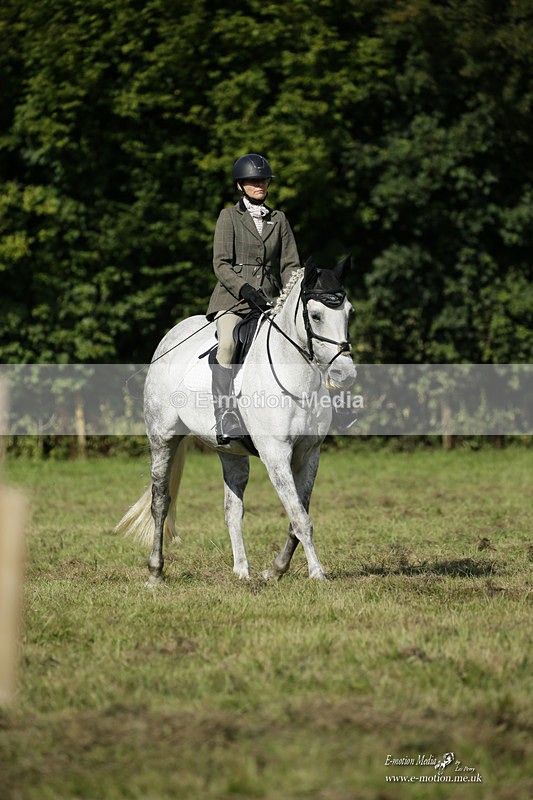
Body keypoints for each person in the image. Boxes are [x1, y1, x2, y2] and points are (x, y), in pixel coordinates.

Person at [206, 153, 301, 444]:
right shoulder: (228, 217)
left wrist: (292, 296)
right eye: (254, 181)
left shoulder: (279, 219)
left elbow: (289, 265)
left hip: (270, 300)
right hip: (233, 300)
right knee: (227, 345)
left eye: (264, 180)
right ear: (240, 186)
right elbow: (221, 263)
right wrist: (245, 289)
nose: (260, 185)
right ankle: (225, 415)